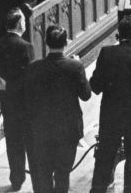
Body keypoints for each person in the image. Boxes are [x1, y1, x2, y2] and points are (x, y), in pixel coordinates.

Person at [90, 16, 131, 193]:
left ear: (118, 34)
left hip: (111, 112)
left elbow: (95, 87)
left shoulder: (106, 53)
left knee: (105, 155)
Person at [26, 25, 91, 193]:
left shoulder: (34, 68)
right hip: (68, 129)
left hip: (43, 129)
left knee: (44, 173)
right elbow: (86, 95)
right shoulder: (75, 67)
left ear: (46, 43)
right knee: (63, 173)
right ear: (66, 43)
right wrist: (79, 67)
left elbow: (29, 98)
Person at [0, 8, 34, 192]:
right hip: (25, 104)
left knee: (13, 143)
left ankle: (17, 179)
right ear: (19, 24)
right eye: (24, 20)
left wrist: (6, 91)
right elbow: (31, 79)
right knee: (31, 142)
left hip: (8, 104)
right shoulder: (26, 47)